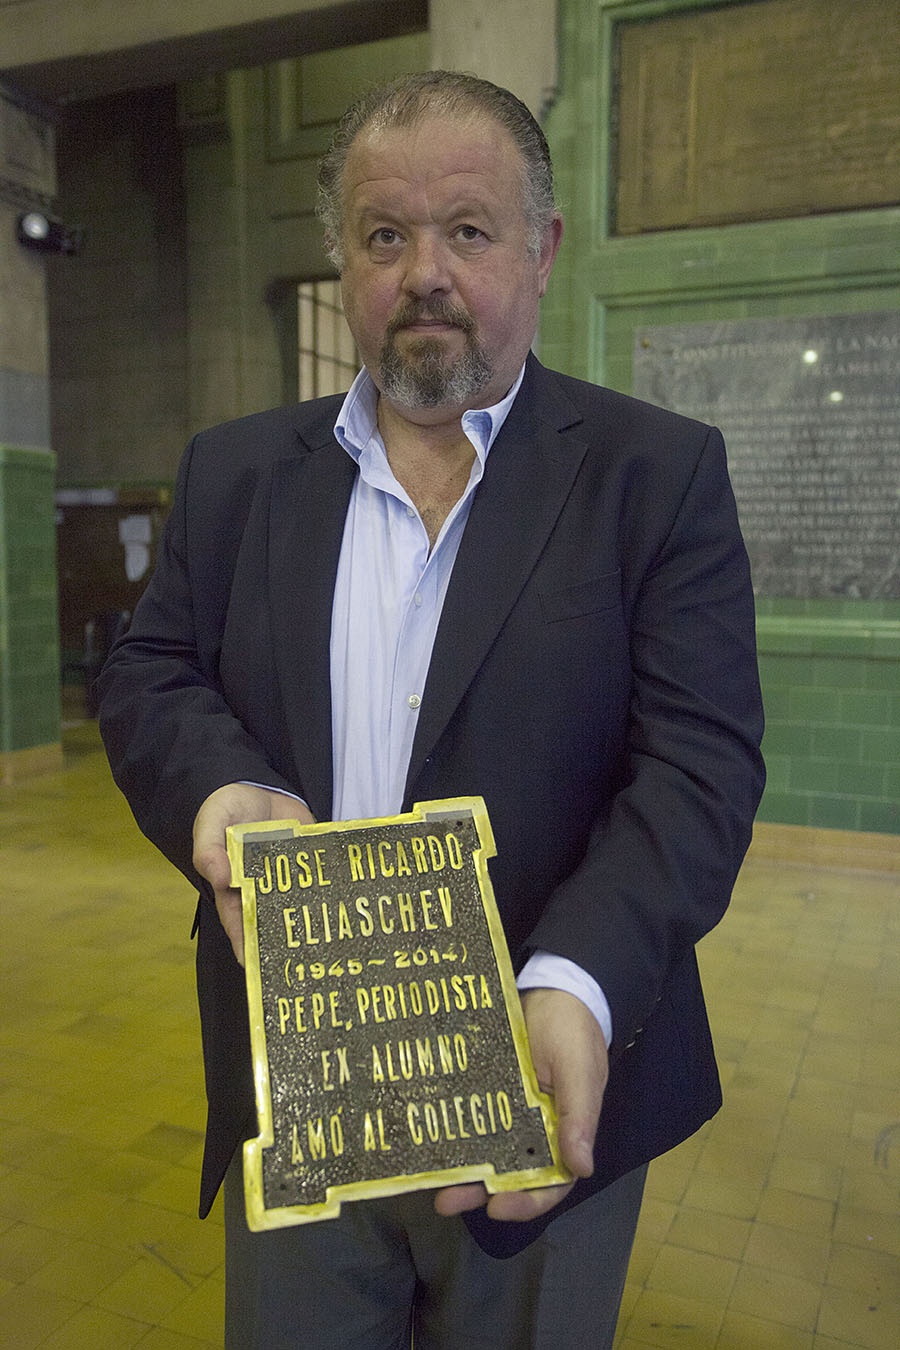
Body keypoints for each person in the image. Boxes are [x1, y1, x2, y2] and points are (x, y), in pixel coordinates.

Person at [98, 70, 765, 1349]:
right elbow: (151, 669)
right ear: (343, 254)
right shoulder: (236, 474)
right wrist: (221, 794)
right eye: (384, 236)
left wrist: (575, 985)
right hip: (303, 1079)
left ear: (542, 248)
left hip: (539, 1081)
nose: (427, 274)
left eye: (469, 230)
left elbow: (697, 770)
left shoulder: (655, 475)